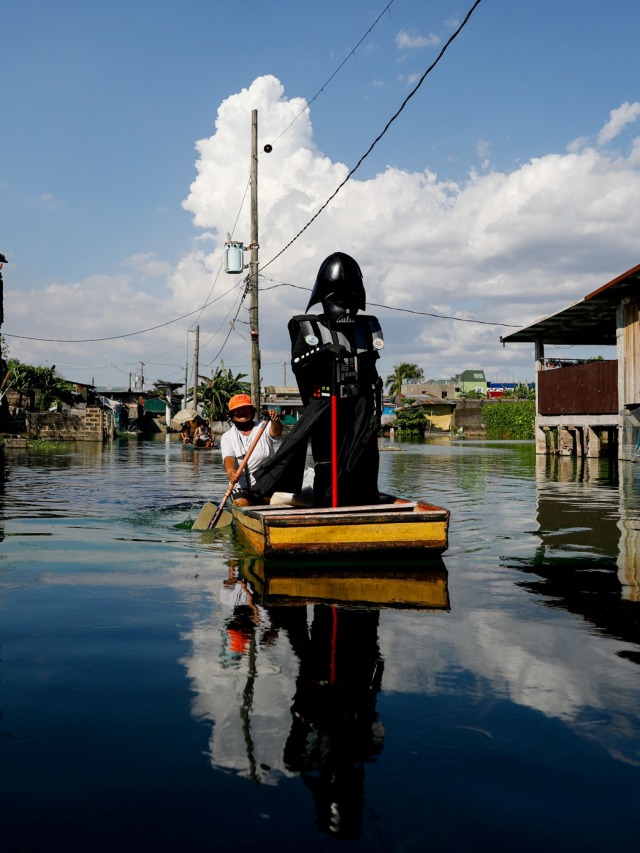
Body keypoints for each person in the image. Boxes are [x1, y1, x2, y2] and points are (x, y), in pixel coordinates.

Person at [254, 252, 384, 507]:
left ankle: (363, 503)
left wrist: (374, 412)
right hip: (325, 406)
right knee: (327, 460)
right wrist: (322, 352)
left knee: (365, 456)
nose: (345, 305)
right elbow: (298, 364)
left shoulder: (367, 328)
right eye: (338, 298)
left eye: (351, 298)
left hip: (360, 406)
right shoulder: (306, 327)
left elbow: (372, 375)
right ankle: (325, 506)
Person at [220, 394, 282, 506]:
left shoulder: (264, 426)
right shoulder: (227, 436)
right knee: (242, 503)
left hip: (267, 484)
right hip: (243, 488)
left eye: (245, 409)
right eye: (237, 411)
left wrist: (275, 421)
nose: (241, 412)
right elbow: (228, 457)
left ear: (252, 412)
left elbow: (276, 432)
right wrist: (231, 472)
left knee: (277, 501)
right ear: (232, 416)